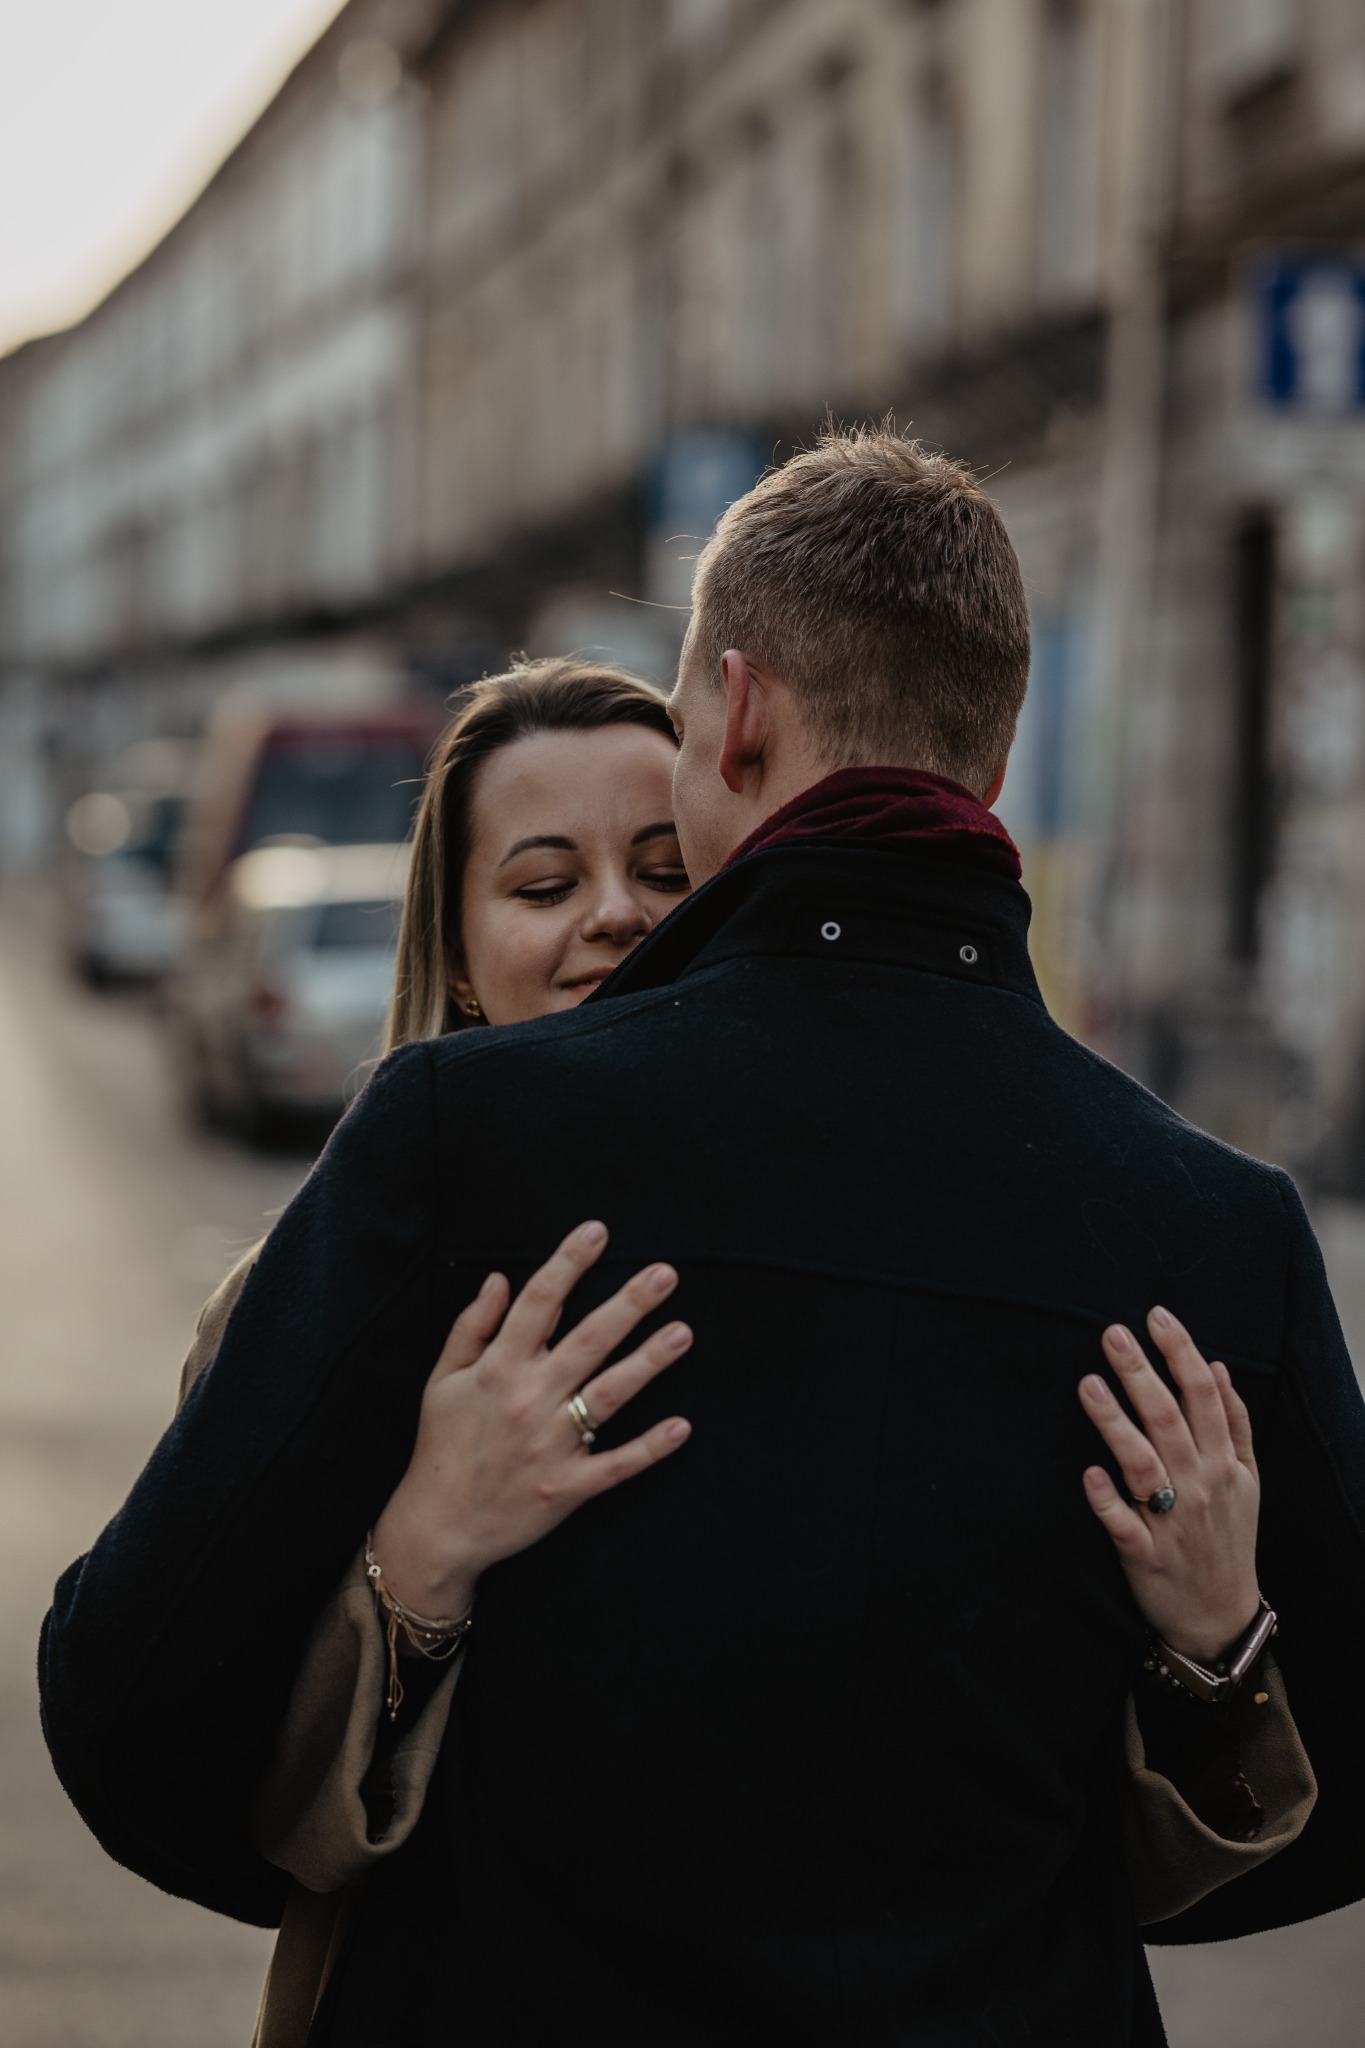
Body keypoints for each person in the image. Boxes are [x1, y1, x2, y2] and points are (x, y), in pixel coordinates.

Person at [40, 432, 1365, 2045]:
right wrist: (1204, 1673)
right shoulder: (1215, 1231)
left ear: (732, 717)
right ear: (990, 764)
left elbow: (132, 1716)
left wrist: (411, 1884)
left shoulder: (466, 1149)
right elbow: (1331, 1822)